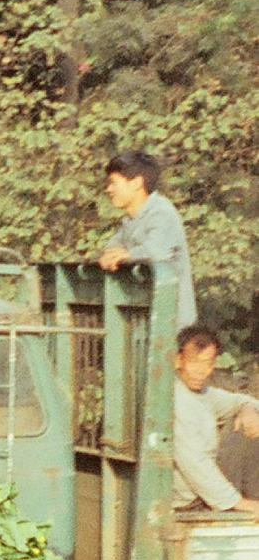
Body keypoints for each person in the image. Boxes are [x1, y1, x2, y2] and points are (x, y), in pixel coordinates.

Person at [96, 149, 198, 327]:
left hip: (174, 328)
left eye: (113, 183)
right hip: (145, 323)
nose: (108, 189)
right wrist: (109, 257)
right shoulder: (130, 221)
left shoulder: (162, 212)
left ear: (136, 183)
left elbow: (156, 251)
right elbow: (112, 249)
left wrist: (125, 256)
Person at [169, 327, 259, 515]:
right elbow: (195, 464)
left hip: (208, 492)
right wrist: (238, 502)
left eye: (208, 363)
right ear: (178, 360)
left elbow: (238, 400)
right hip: (189, 501)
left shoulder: (203, 394)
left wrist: (248, 410)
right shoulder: (176, 399)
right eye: (194, 363)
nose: (201, 371)